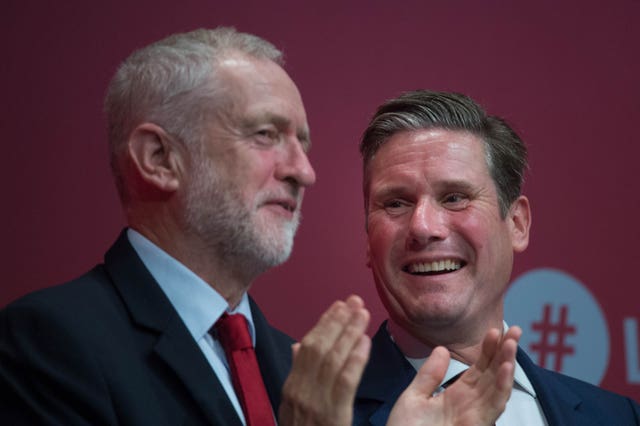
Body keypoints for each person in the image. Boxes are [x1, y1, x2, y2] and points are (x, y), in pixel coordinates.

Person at [0, 28, 515, 426]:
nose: (303, 171)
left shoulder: (293, 366)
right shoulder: (49, 344)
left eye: (303, 144)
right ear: (159, 158)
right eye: (266, 135)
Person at [352, 90, 640, 425]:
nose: (423, 227)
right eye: (396, 203)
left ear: (517, 224)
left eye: (454, 197)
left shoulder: (620, 417)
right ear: (368, 241)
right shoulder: (310, 414)